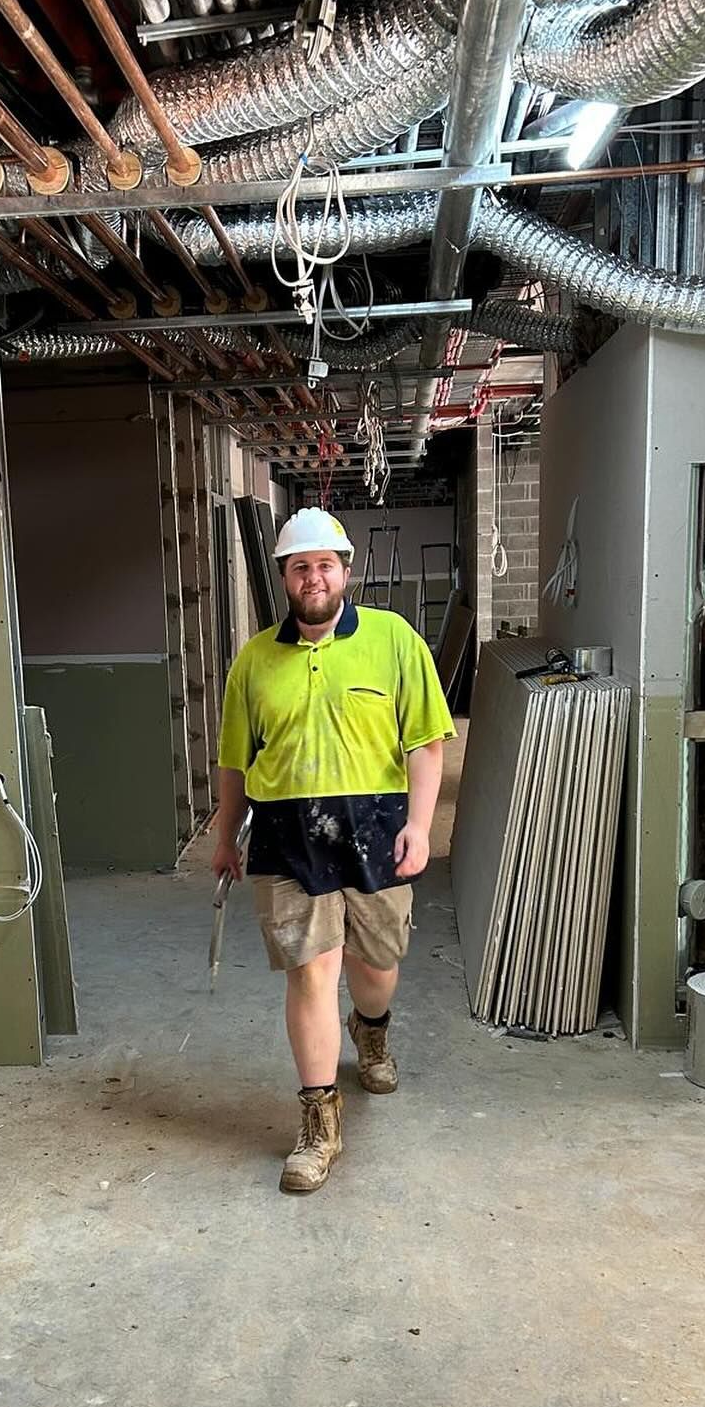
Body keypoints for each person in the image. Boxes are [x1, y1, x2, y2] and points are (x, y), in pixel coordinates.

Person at [212, 507, 455, 1194]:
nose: (313, 577)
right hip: (287, 834)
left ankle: (370, 1028)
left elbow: (426, 742)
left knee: (376, 965)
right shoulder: (254, 661)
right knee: (311, 973)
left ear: (345, 571)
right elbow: (235, 761)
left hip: (376, 826)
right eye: (300, 567)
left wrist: (419, 826)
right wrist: (226, 837)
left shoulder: (394, 639)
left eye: (324, 564)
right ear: (284, 576)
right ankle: (319, 1125)